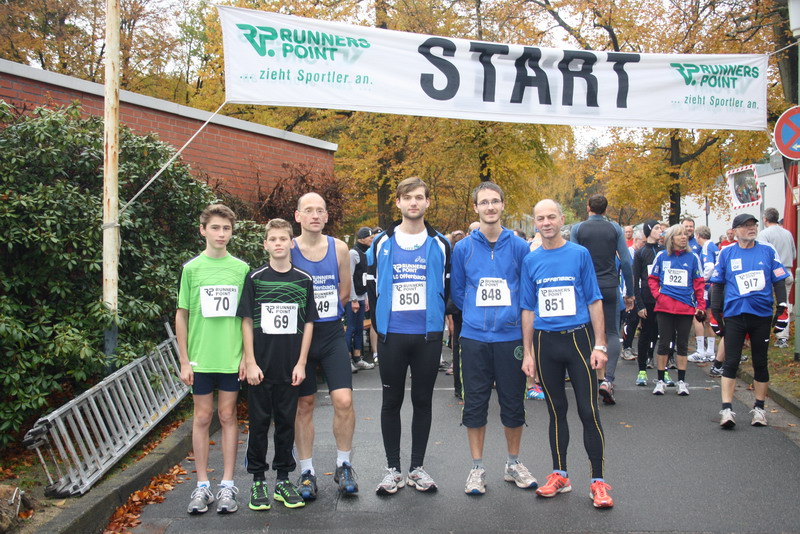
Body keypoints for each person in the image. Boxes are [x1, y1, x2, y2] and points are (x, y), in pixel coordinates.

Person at [520, 199, 613, 509]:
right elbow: (527, 309)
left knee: (588, 411)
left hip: (578, 340)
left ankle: (598, 481)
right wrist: (528, 353)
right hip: (546, 343)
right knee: (556, 411)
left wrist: (600, 344)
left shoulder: (579, 254)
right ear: (535, 223)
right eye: (540, 218)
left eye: (551, 217)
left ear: (562, 220)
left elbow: (594, 300)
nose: (546, 223)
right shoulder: (531, 260)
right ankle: (560, 475)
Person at [450, 182, 536, 496]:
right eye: (484, 202)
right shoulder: (463, 248)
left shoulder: (519, 247)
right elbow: (459, 292)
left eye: (495, 201)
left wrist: (510, 320)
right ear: (475, 207)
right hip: (474, 337)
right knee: (475, 404)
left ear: (502, 205)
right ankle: (477, 468)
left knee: (513, 403)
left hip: (510, 337)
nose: (490, 207)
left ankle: (513, 463)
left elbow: (526, 291)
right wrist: (476, 315)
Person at [367, 176, 451, 495]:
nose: (413, 202)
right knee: (391, 401)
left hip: (427, 337)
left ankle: (417, 468)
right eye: (407, 197)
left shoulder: (441, 243)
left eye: (419, 197)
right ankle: (393, 469)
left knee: (422, 400)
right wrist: (379, 323)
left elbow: (447, 286)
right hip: (393, 336)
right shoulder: (381, 243)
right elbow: (370, 286)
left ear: (427, 202)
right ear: (398, 202)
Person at [238, 219, 317, 510]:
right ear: (265, 245)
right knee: (259, 425)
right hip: (261, 368)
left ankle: (283, 480)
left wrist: (302, 363)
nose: (278, 243)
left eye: (283, 239)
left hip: (290, 367)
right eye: (273, 239)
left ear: (291, 243)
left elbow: (309, 323)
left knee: (286, 424)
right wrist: (250, 361)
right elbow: (247, 321)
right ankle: (258, 481)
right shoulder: (255, 278)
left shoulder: (303, 279)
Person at [176, 204, 250, 515]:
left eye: (226, 228)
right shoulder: (191, 269)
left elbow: (247, 317)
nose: (221, 234)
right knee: (203, 417)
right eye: (215, 228)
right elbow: (182, 315)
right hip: (201, 358)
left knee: (228, 415)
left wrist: (247, 356)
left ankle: (228, 484)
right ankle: (203, 485)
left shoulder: (242, 269)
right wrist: (184, 359)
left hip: (231, 357)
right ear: (203, 230)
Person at [291, 192, 358, 499]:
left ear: (327, 216)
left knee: (343, 401)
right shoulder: (289, 248)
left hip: (330, 334)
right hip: (298, 338)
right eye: (308, 210)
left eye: (320, 210)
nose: (315, 215)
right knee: (304, 404)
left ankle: (344, 465)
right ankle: (306, 471)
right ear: (298, 216)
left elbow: (344, 291)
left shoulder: (339, 248)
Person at [710, 213, 789, 428]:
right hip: (735, 314)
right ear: (735, 231)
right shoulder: (726, 252)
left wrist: (782, 308)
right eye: (745, 226)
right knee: (731, 361)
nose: (751, 228)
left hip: (761, 315)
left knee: (760, 361)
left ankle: (760, 409)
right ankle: (727, 409)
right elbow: (718, 283)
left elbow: (779, 280)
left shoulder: (767, 250)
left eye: (753, 224)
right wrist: (715, 312)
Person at [570, 194, 634, 405]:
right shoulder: (615, 228)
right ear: (606, 209)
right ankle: (608, 379)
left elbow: (573, 259)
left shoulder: (578, 229)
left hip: (586, 287)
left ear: (588, 207)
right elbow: (626, 261)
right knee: (612, 332)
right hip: (609, 286)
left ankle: (590, 378)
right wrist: (630, 291)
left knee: (587, 332)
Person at [648, 224, 705, 396]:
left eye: (685, 234)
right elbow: (652, 278)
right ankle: (660, 380)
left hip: (685, 307)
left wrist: (701, 306)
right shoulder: (661, 256)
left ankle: (681, 381)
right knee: (664, 343)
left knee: (682, 344)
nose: (683, 237)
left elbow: (699, 283)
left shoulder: (693, 257)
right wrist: (658, 296)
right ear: (671, 238)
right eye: (679, 234)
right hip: (664, 306)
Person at [758, 207, 796, 349]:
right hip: (787, 270)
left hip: (771, 273)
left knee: (766, 303)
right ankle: (782, 336)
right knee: (784, 303)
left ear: (765, 219)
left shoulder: (764, 234)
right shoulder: (787, 233)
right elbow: (794, 254)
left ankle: (763, 335)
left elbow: (761, 255)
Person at [347, 227, 375, 371]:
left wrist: (366, 298)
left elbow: (364, 278)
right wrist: (353, 299)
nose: (372, 240)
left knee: (359, 328)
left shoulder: (366, 253)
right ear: (363, 238)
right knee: (351, 328)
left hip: (361, 296)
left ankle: (358, 358)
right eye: (370, 237)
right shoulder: (353, 253)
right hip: (353, 298)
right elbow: (349, 277)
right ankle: (347, 359)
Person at [689, 225, 719, 362]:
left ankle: (701, 351)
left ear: (698, 236)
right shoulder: (714, 247)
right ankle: (710, 351)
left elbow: (710, 266)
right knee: (709, 318)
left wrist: (702, 280)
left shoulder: (706, 247)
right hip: (714, 287)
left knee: (698, 316)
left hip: (707, 287)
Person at [621, 228, 645, 361]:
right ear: (636, 240)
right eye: (643, 242)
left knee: (635, 320)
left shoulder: (641, 254)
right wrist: (627, 293)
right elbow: (625, 274)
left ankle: (629, 346)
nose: (644, 245)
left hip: (639, 290)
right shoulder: (628, 253)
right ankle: (626, 348)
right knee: (629, 320)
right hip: (628, 291)